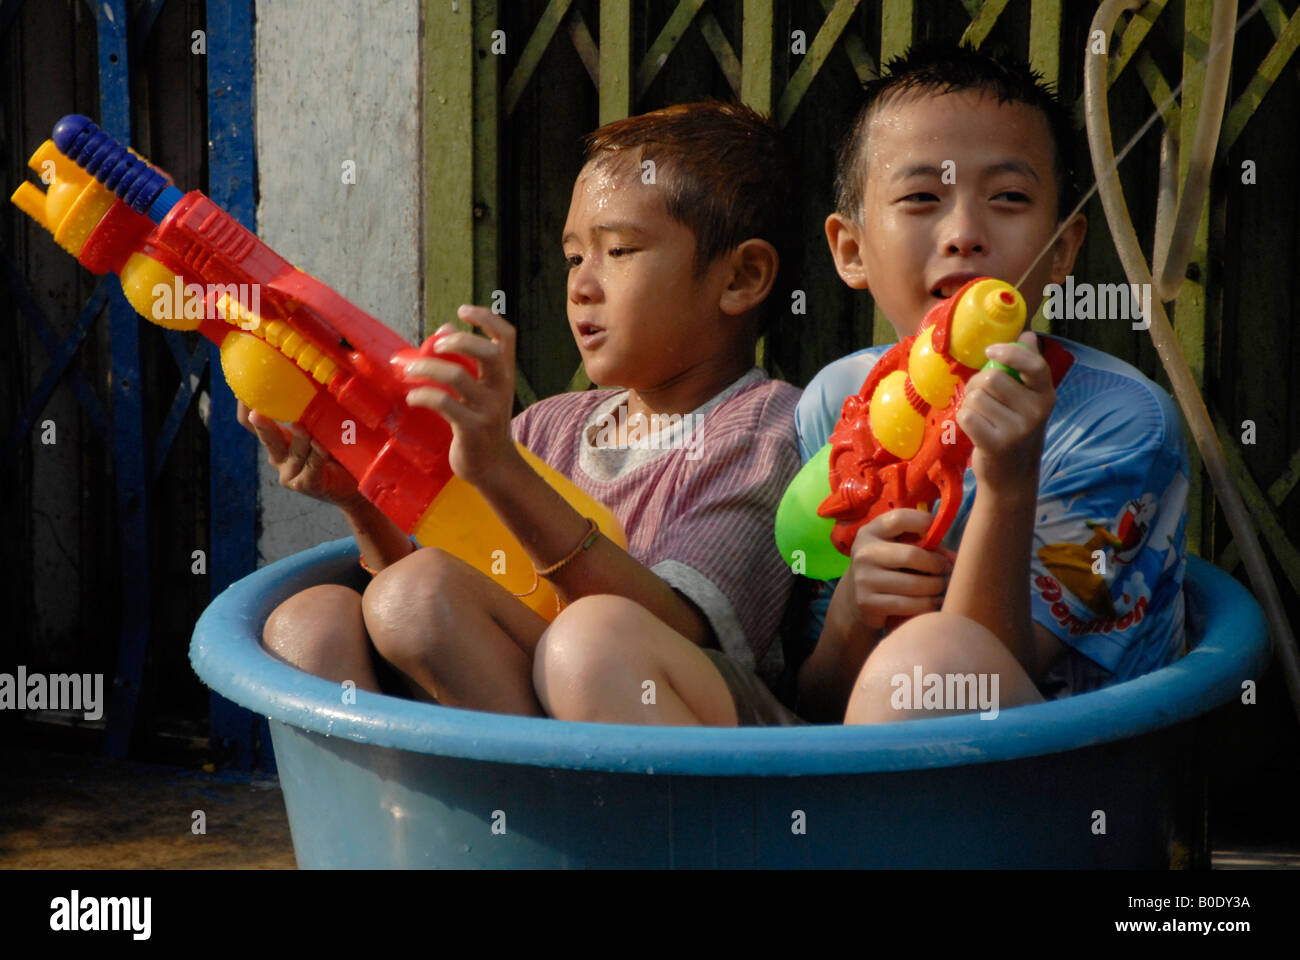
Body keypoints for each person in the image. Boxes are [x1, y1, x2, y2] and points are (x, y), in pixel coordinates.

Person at [246, 101, 806, 726]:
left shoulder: (763, 429)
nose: (581, 285)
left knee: (469, 607)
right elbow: (428, 622)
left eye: (618, 250)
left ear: (742, 277)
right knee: (311, 621)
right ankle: (407, 819)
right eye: (573, 258)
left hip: (681, 746)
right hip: (534, 698)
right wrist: (362, 498)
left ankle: (534, 818)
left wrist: (500, 471)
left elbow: (668, 633)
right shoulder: (546, 427)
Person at [793, 43, 1189, 725]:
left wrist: (1008, 480)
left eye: (1008, 198)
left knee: (924, 668)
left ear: (1061, 249)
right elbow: (815, 708)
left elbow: (973, 684)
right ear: (851, 251)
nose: (965, 234)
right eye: (921, 198)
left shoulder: (1124, 424)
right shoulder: (837, 402)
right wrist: (852, 616)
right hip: (863, 785)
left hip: (1061, 792)